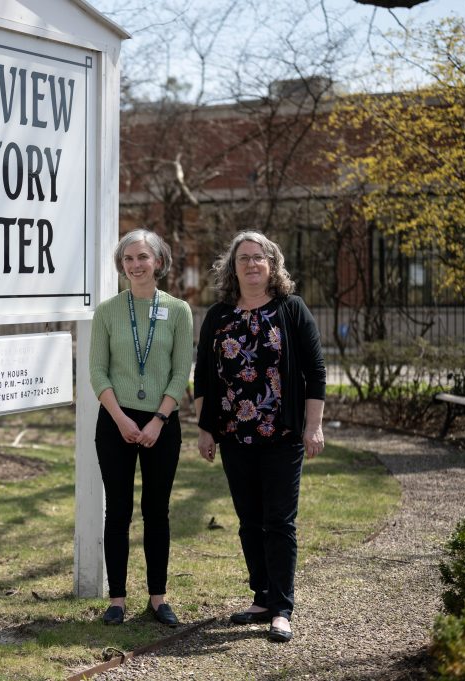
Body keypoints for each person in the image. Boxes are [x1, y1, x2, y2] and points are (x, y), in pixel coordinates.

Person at [193, 230, 325, 643]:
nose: (251, 264)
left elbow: (315, 372)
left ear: (272, 265)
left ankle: (282, 608)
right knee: (249, 521)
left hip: (282, 434)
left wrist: (313, 425)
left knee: (279, 522)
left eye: (259, 257)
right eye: (243, 258)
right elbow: (205, 376)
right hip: (234, 435)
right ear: (233, 267)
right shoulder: (218, 315)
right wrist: (204, 427)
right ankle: (262, 596)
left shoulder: (291, 309)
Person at [90, 228, 194, 627]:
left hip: (161, 425)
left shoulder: (179, 311)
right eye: (128, 259)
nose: (135, 265)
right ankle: (116, 599)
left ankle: (157, 598)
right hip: (115, 420)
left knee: (157, 511)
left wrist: (158, 420)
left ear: (159, 262)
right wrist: (120, 419)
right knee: (117, 511)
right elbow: (98, 371)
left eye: (142, 258)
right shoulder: (107, 311)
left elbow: (179, 371)